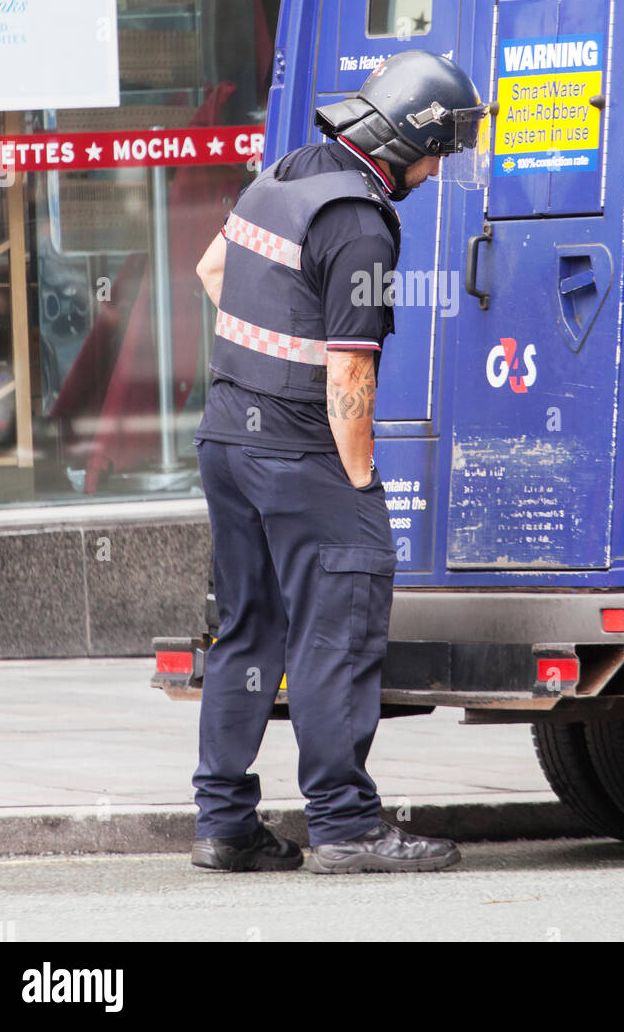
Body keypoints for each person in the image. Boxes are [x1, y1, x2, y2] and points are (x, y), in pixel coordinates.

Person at [189, 50, 485, 874]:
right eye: (440, 150)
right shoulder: (359, 222)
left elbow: (214, 271)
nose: (438, 169)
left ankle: (224, 825)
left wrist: (272, 350)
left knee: (250, 629)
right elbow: (351, 368)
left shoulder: (281, 175)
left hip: (226, 437)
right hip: (300, 450)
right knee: (339, 627)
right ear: (408, 138)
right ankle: (347, 827)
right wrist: (355, 479)